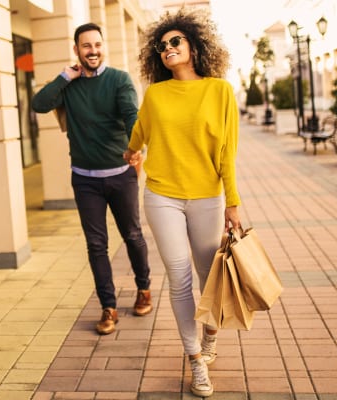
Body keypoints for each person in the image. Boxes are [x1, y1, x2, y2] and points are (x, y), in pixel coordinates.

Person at [123, 8, 242, 397]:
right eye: (162, 46)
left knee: (210, 278)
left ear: (194, 46)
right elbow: (140, 132)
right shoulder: (155, 94)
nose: (168, 48)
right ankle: (194, 360)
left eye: (175, 42)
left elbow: (228, 153)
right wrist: (131, 151)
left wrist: (233, 202)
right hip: (162, 196)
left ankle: (210, 337)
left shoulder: (220, 90)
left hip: (208, 196)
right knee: (179, 276)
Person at [32, 22, 152, 335]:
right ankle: (108, 307)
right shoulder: (68, 85)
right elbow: (38, 104)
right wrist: (63, 76)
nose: (93, 51)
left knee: (133, 235)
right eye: (86, 46)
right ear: (77, 50)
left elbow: (130, 115)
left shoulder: (118, 79)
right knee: (96, 245)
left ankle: (144, 287)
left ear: (103, 46)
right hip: (84, 180)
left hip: (120, 176)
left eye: (97, 45)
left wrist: (135, 145)